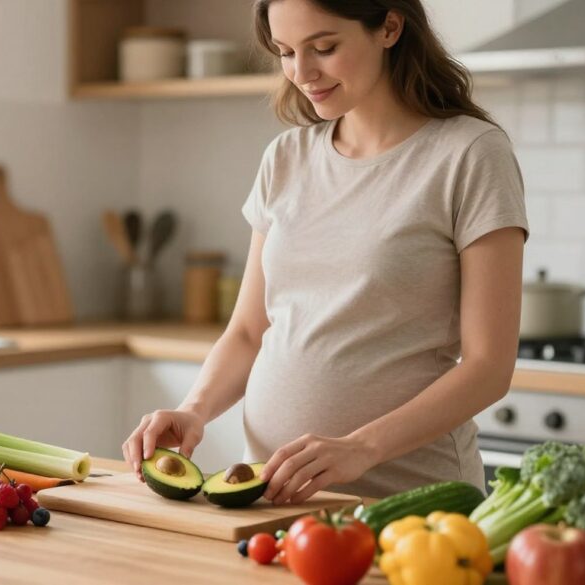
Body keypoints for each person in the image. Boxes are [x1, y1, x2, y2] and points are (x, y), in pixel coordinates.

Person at [122, 0, 528, 503]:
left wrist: (360, 447)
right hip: (274, 498)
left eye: (324, 47)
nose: (301, 73)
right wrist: (195, 409)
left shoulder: (469, 154)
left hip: (410, 504)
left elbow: (489, 367)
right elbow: (250, 331)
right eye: (286, 52)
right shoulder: (286, 158)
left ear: (390, 28)